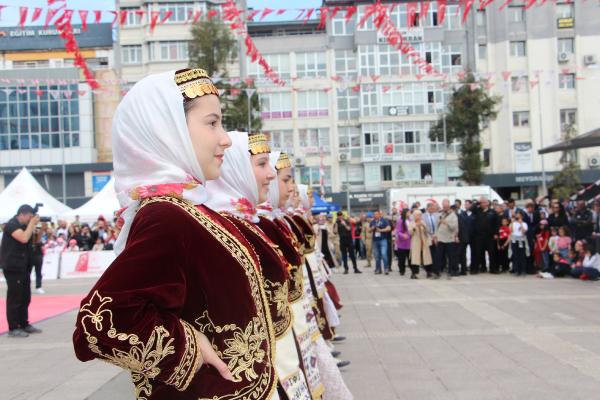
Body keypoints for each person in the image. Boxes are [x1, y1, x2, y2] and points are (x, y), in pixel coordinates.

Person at [72, 69, 281, 399]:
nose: (225, 138)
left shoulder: (190, 209)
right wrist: (187, 346)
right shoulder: (165, 216)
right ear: (166, 130)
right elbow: (101, 323)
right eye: (212, 123)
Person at [205, 133, 316, 400]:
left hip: (277, 353)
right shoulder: (219, 226)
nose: (271, 175)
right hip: (246, 373)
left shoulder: (252, 221)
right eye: (262, 165)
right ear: (236, 168)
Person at [0, 204, 43, 338]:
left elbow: (36, 241)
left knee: (25, 296)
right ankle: (13, 327)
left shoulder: (26, 226)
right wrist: (32, 224)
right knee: (15, 298)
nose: (31, 220)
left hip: (24, 266)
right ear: (22, 214)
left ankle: (24, 323)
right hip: (13, 267)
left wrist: (37, 227)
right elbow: (23, 238)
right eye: (29, 217)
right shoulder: (11, 225)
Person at [472, 198, 499, 274]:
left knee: (491, 253)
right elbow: (471, 208)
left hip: (489, 236)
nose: (483, 204)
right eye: (481, 203)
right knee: (478, 253)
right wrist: (477, 202)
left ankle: (493, 269)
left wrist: (496, 233)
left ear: (488, 203)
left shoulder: (492, 212)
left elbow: (496, 224)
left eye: (484, 202)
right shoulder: (477, 211)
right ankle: (477, 269)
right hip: (479, 236)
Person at [433, 199, 459, 278]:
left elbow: (454, 227)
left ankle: (451, 271)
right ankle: (437, 271)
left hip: (449, 239)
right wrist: (435, 236)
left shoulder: (453, 215)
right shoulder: (440, 214)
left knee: (451, 256)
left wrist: (446, 223)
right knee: (438, 256)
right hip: (440, 238)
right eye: (443, 206)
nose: (444, 208)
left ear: (449, 206)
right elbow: (437, 226)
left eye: (446, 207)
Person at [408, 210, 433, 279]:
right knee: (415, 258)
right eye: (417, 215)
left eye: (419, 215)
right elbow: (410, 233)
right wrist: (415, 227)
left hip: (424, 243)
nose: (418, 216)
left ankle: (429, 272)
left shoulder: (423, 222)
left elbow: (427, 231)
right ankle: (414, 274)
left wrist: (424, 226)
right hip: (416, 244)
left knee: (426, 258)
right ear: (414, 216)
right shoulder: (411, 223)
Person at [370, 210, 392, 275]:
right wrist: (372, 228)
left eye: (376, 214)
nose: (375, 215)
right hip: (375, 241)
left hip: (383, 240)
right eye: (374, 214)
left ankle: (386, 269)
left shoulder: (384, 221)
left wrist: (381, 230)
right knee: (377, 256)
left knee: (383, 254)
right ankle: (378, 269)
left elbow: (389, 228)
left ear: (379, 215)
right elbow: (369, 230)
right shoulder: (372, 222)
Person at [457, 199, 475, 275]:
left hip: (473, 236)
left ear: (471, 205)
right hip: (464, 236)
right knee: (462, 253)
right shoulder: (462, 214)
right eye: (465, 204)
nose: (466, 206)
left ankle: (473, 268)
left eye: (467, 204)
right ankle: (463, 269)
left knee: (474, 253)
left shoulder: (475, 214)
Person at [510, 211, 529, 276]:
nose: (517, 215)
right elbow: (511, 231)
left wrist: (521, 224)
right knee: (515, 255)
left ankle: (523, 270)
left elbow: (524, 232)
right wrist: (512, 222)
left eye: (518, 214)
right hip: (514, 240)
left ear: (521, 216)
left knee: (522, 255)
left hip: (521, 240)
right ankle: (516, 270)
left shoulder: (524, 223)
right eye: (516, 214)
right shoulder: (514, 223)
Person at [423, 203, 439, 277]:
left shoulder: (437, 215)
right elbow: (424, 228)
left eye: (434, 208)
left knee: (436, 255)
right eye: (432, 208)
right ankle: (428, 271)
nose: (433, 209)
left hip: (436, 237)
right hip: (427, 237)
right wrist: (430, 235)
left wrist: (435, 236)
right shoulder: (423, 216)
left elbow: (438, 227)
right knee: (428, 255)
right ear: (428, 208)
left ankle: (436, 270)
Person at [394, 208, 411, 275]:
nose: (410, 213)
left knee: (410, 258)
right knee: (402, 258)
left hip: (409, 242)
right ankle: (402, 270)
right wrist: (403, 235)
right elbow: (398, 231)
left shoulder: (410, 220)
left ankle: (412, 269)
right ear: (405, 213)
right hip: (402, 242)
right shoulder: (400, 221)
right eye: (408, 212)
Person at [30, 225, 45, 294]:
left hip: (38, 256)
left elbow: (39, 242)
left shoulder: (39, 238)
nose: (36, 230)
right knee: (27, 272)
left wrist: (39, 232)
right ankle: (27, 287)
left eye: (37, 229)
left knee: (38, 272)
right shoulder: (28, 237)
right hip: (29, 256)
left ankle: (38, 287)